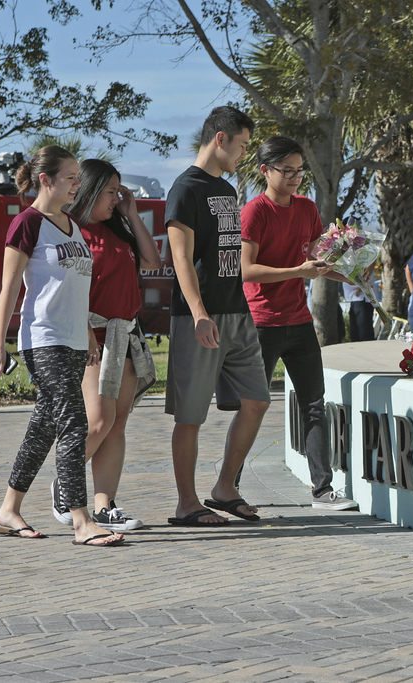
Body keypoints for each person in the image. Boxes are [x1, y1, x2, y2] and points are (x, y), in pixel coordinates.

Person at [0, 145, 124, 547]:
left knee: (42, 430)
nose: (77, 186)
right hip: (42, 340)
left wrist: (88, 333)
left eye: (78, 179)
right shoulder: (27, 224)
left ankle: (8, 511)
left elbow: (74, 288)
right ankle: (81, 521)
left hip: (72, 342)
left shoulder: (73, 227)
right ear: (45, 180)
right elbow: (9, 287)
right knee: (74, 422)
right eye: (70, 178)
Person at [239, 135, 358, 510]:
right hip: (261, 323)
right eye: (286, 171)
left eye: (298, 171)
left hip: (299, 322)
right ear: (265, 171)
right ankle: (230, 487)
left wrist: (350, 273)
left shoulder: (307, 208)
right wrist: (298, 271)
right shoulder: (254, 212)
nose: (294, 177)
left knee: (313, 404)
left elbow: (316, 261)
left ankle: (323, 490)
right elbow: (247, 270)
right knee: (251, 407)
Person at [164, 106, 271, 525]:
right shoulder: (185, 189)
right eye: (242, 145)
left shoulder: (226, 191)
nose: (244, 154)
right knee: (190, 415)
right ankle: (186, 504)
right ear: (220, 139)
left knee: (258, 401)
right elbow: (181, 258)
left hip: (237, 314)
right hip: (200, 317)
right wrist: (198, 314)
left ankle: (224, 488)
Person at [47, 159, 161, 533]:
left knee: (118, 422)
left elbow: (152, 260)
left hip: (125, 335)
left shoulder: (118, 230)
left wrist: (131, 212)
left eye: (117, 191)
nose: (116, 198)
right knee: (99, 419)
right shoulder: (71, 231)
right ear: (91, 191)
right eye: (110, 192)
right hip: (91, 337)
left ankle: (105, 505)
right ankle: (66, 482)